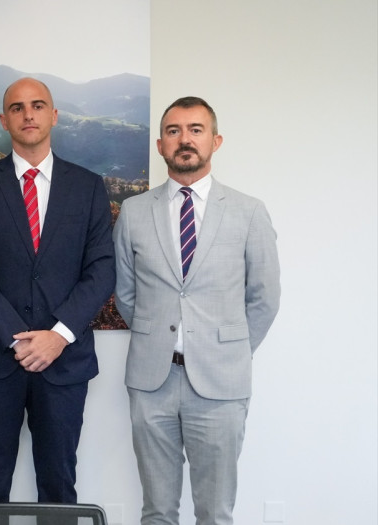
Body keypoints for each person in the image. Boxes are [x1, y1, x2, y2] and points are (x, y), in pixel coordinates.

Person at [114, 97, 280, 525]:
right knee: (157, 512)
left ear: (215, 140)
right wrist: (158, 340)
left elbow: (263, 298)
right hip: (153, 383)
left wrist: (228, 350)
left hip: (222, 385)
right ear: (160, 145)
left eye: (195, 129)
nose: (184, 139)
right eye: (173, 131)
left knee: (215, 512)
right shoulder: (134, 213)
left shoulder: (248, 212)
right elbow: (125, 294)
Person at [0, 78, 116, 504]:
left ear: (54, 115)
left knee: (59, 486)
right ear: (3, 120)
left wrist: (57, 336)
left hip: (64, 361)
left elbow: (100, 270)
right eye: (18, 107)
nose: (29, 114)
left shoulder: (87, 186)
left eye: (38, 105)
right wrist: (19, 339)